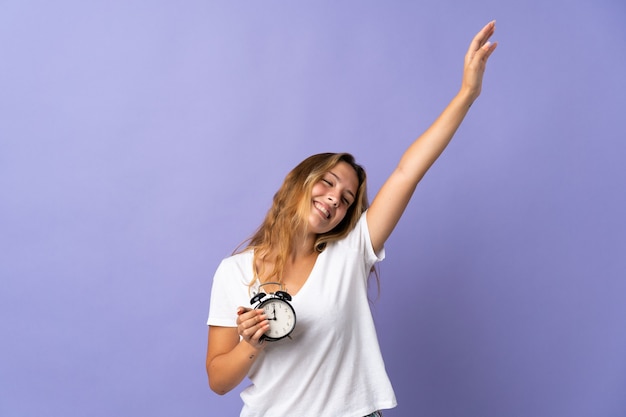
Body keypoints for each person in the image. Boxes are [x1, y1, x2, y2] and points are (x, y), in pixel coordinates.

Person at [206, 21, 497, 417]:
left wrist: (467, 93)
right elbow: (218, 380)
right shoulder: (234, 272)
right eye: (326, 183)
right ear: (298, 182)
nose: (333, 200)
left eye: (345, 199)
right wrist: (250, 344)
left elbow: (406, 173)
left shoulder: (350, 252)